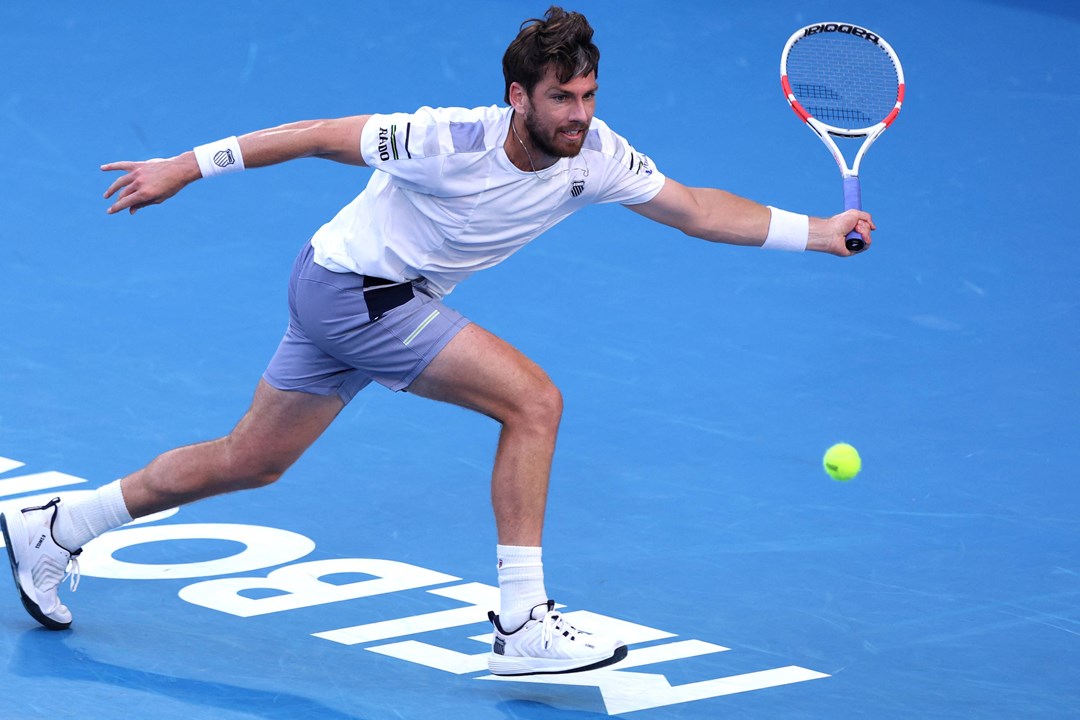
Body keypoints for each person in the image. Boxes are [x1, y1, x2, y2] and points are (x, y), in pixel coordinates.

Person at [1, 6, 873, 676]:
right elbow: (313, 135)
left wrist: (818, 231)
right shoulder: (442, 140)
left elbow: (691, 206)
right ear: (517, 98)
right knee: (533, 401)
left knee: (251, 460)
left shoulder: (595, 154)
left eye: (588, 95)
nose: (578, 115)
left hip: (346, 288)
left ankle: (57, 525)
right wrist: (185, 166)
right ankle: (523, 623)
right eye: (560, 98)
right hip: (355, 293)